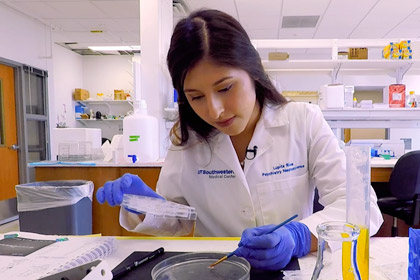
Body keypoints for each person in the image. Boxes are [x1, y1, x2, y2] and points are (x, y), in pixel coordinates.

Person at [96, 9, 383, 270]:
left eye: (226, 88)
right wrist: (146, 204)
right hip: (217, 271)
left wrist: (297, 237)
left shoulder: (303, 121)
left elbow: (360, 208)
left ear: (252, 71)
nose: (214, 110)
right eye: (196, 97)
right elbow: (180, 220)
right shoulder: (187, 141)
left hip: (290, 270)